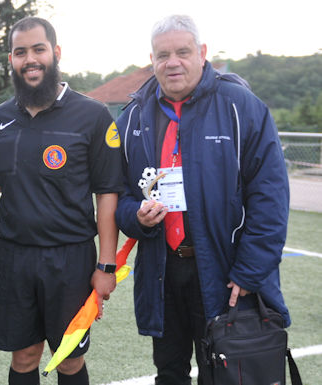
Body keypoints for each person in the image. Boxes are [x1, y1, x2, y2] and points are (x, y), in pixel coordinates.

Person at [114, 14, 290, 385]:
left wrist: (249, 271)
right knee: (169, 372)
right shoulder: (133, 116)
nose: (172, 62)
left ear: (202, 53)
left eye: (182, 52)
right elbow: (122, 196)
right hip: (163, 269)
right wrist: (137, 217)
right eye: (163, 55)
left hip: (226, 272)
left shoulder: (240, 106)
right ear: (152, 59)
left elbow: (270, 196)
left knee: (223, 373)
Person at [0, 16, 124, 385]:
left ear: (55, 53)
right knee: (24, 357)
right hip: (14, 255)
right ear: (10, 59)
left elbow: (107, 192)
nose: (30, 59)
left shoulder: (92, 115)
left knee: (69, 359)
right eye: (20, 52)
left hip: (70, 258)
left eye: (38, 49)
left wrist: (106, 265)